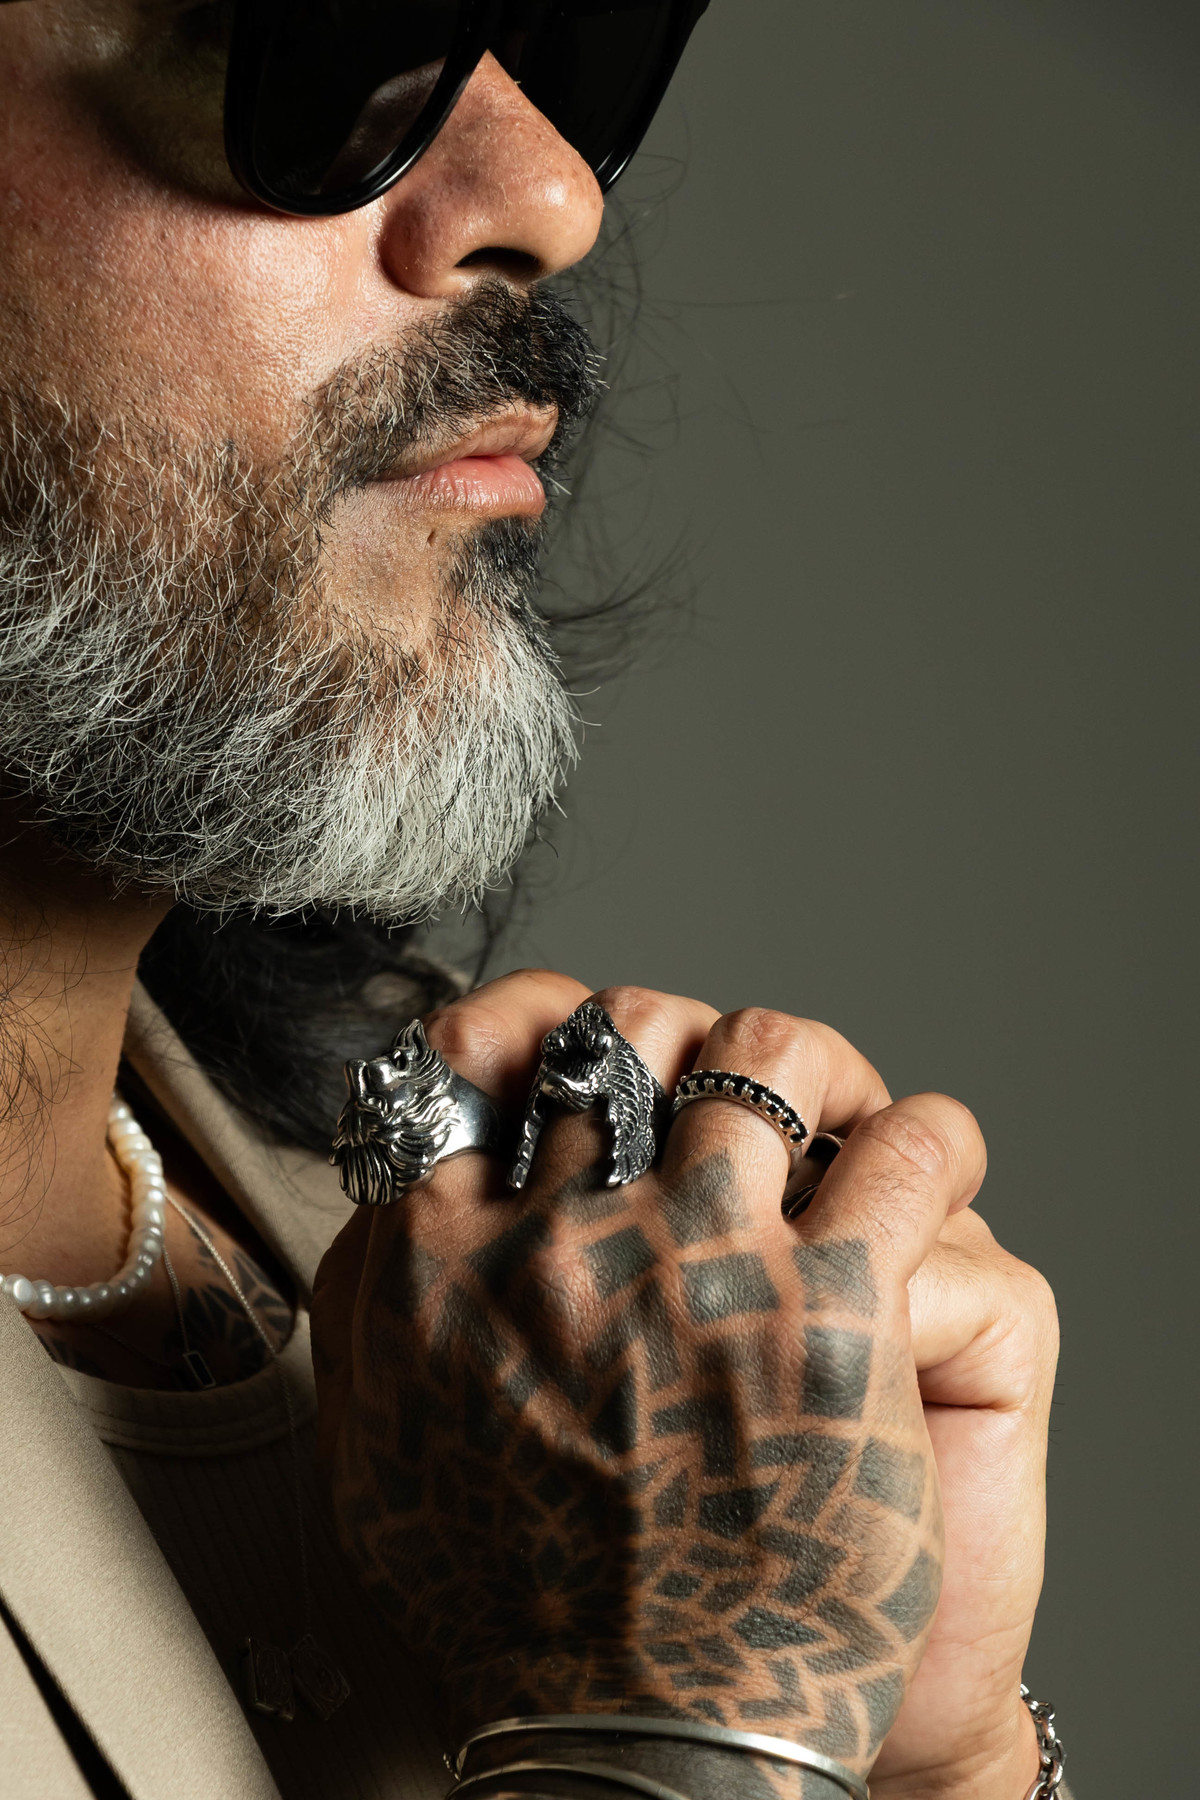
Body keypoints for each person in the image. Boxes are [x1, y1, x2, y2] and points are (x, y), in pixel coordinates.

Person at [0, 5, 1068, 1799]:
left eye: (571, 34)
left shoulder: (488, 1272)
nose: (554, 196)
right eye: (324, 44)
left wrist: (928, 1767)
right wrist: (690, 1725)